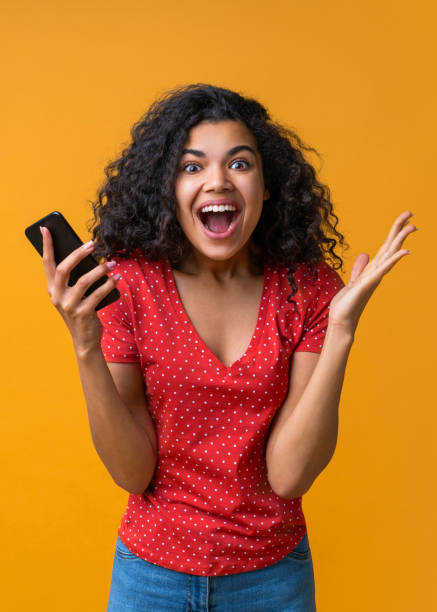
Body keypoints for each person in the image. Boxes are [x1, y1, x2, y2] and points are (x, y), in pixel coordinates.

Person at [39, 83, 417, 611]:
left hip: (273, 581)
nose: (217, 180)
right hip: (151, 578)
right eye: (192, 167)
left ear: (268, 187)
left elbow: (289, 476)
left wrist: (342, 332)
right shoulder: (129, 286)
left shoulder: (307, 290)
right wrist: (85, 346)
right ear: (167, 187)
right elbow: (132, 472)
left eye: (239, 164)